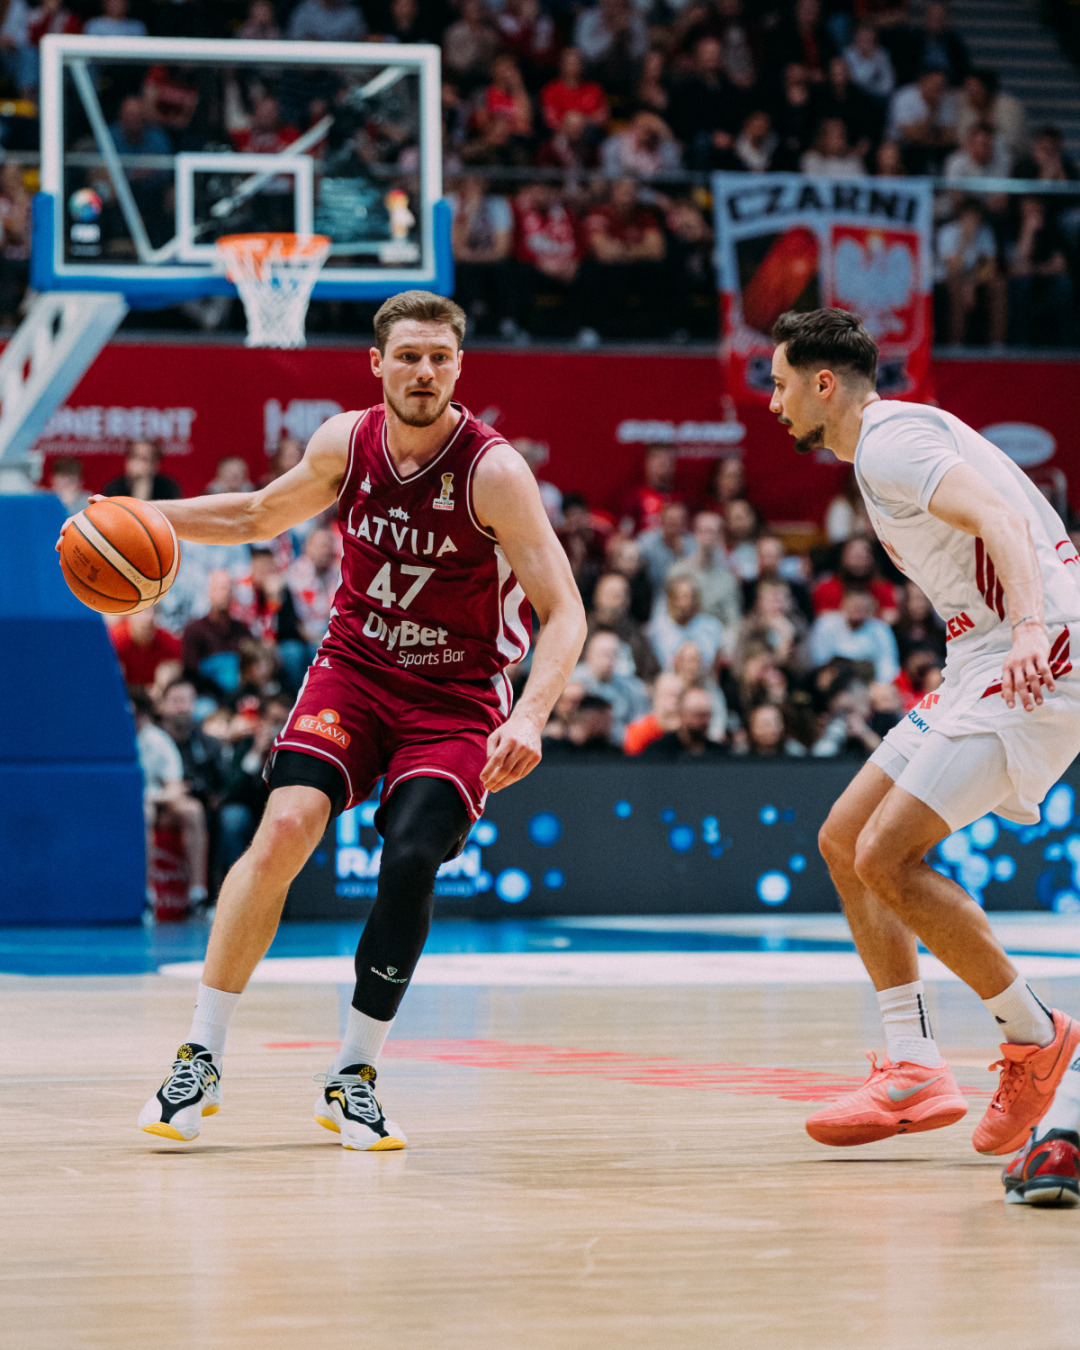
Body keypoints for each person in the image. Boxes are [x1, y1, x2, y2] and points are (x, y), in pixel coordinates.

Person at [76, 291, 586, 1150]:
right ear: (377, 364)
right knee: (283, 829)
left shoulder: (492, 472)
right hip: (353, 671)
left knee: (413, 856)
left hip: (456, 696)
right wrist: (145, 518)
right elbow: (254, 515)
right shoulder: (345, 442)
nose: (425, 371)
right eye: (410, 355)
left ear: (459, 367)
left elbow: (564, 610)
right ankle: (200, 1055)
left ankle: (353, 1073)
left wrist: (531, 715)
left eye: (441, 357)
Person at [768, 306, 1080, 1206]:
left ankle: (1035, 1035)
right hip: (980, 654)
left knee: (888, 855)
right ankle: (912, 1065)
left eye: (782, 386)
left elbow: (998, 519)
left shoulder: (889, 443)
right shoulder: (892, 439)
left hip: (1035, 654)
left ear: (824, 384)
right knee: (845, 839)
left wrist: (1029, 628)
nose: (776, 404)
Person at [667, 510, 742, 634]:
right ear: (695, 534)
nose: (709, 536)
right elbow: (667, 612)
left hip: (716, 637)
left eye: (713, 532)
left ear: (720, 537)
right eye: (705, 531)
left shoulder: (728, 579)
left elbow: (733, 621)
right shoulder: (677, 572)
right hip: (680, 635)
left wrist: (725, 643)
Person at [648, 574, 725, 672]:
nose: (690, 602)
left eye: (693, 597)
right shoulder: (656, 631)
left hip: (704, 679)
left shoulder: (711, 626)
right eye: (684, 597)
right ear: (670, 600)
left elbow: (716, 667)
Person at [639, 686, 726, 762]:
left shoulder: (720, 754)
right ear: (681, 713)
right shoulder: (659, 751)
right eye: (697, 714)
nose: (702, 721)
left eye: (706, 715)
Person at [111, 605, 182, 689]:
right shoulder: (116, 638)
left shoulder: (168, 642)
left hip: (154, 690)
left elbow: (176, 664)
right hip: (124, 688)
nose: (148, 619)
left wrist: (164, 683)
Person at [103, 437, 182, 501]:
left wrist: (143, 484)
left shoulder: (168, 487)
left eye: (144, 459)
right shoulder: (113, 488)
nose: (139, 464)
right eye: (134, 457)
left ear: (156, 464)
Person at [624, 671, 683, 755]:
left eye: (679, 696)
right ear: (656, 697)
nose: (675, 701)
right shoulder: (639, 732)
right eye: (670, 695)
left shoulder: (688, 732)